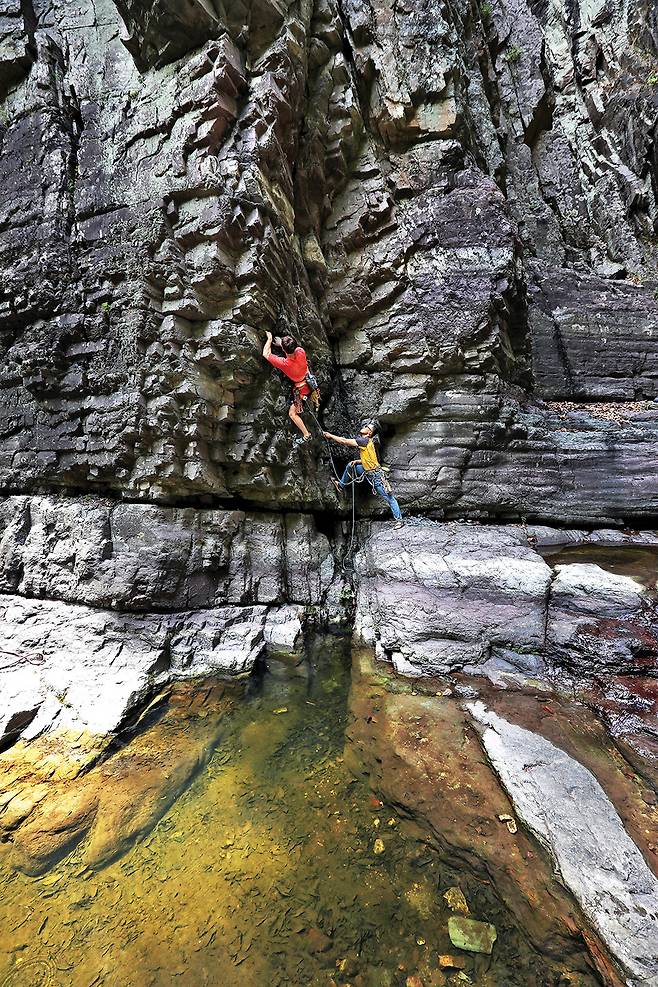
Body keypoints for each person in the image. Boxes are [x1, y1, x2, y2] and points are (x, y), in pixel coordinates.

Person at [323, 422, 403, 528]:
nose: (364, 427)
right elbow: (371, 459)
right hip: (366, 470)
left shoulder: (364, 441)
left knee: (389, 498)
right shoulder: (367, 442)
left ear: (369, 433)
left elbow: (344, 441)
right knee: (350, 466)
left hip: (375, 475)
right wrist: (358, 461)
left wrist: (330, 436)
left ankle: (399, 521)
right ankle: (341, 485)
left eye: (367, 427)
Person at [262, 331, 312, 444]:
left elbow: (266, 354)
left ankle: (306, 434)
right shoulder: (301, 351)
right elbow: (293, 352)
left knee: (292, 414)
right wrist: (282, 345)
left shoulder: (284, 364)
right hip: (308, 379)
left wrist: (270, 339)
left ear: (284, 350)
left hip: (303, 389)